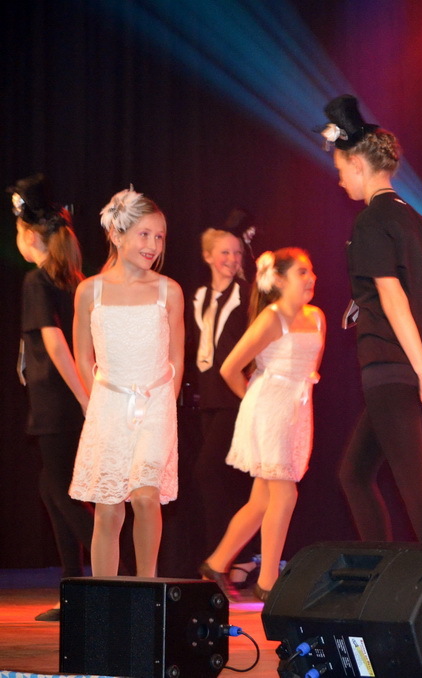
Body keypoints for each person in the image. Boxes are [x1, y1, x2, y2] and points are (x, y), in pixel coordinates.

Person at [325, 95, 422, 544]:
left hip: (390, 362)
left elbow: (393, 296)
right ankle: (377, 569)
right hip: (412, 363)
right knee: (354, 474)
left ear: (359, 165)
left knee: (416, 488)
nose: (340, 180)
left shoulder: (371, 221)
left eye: (341, 170)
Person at [69, 188, 184, 578]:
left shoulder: (169, 291)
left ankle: (146, 589)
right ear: (117, 235)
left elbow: (177, 357)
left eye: (159, 236)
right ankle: (104, 595)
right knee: (108, 508)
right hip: (109, 405)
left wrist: (165, 404)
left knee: (146, 496)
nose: (153, 245)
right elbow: (83, 356)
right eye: (144, 234)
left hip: (155, 404)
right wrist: (97, 403)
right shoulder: (90, 290)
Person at [200, 248, 324, 601]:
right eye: (302, 272)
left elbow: (310, 370)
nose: (311, 278)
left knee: (261, 500)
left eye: (311, 271)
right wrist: (254, 403)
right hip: (268, 409)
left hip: (296, 411)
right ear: (279, 280)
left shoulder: (317, 317)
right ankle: (269, 581)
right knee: (285, 493)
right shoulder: (271, 318)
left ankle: (215, 563)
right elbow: (229, 368)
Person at [10, 174, 93, 621]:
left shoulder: (38, 281)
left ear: (29, 236)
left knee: (62, 490)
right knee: (51, 487)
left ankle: (114, 579)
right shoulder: (70, 280)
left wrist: (83, 397)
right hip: (63, 400)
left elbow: (57, 343)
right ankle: (74, 586)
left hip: (59, 402)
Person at [189, 210, 258, 587]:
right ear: (208, 256)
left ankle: (220, 559)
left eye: (237, 253)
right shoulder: (199, 296)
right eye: (225, 253)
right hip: (209, 399)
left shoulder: (247, 295)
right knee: (226, 480)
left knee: (208, 472)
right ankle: (240, 558)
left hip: (236, 397)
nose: (232, 259)